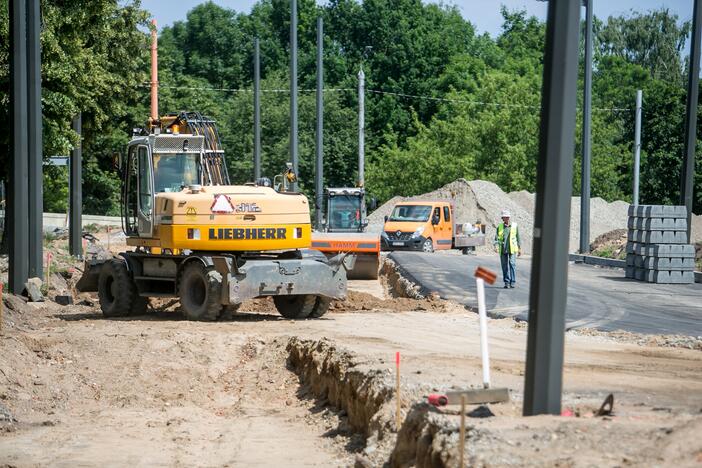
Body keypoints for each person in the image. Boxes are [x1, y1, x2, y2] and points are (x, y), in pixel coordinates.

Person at [494, 210, 521, 289]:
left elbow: (518, 237)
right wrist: (495, 246)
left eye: (507, 217)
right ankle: (506, 282)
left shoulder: (515, 226)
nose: (506, 218)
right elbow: (496, 238)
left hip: (512, 249)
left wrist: (519, 248)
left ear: (509, 217)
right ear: (502, 218)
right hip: (503, 249)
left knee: (512, 264)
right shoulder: (500, 227)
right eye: (504, 217)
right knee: (504, 266)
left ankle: (512, 282)